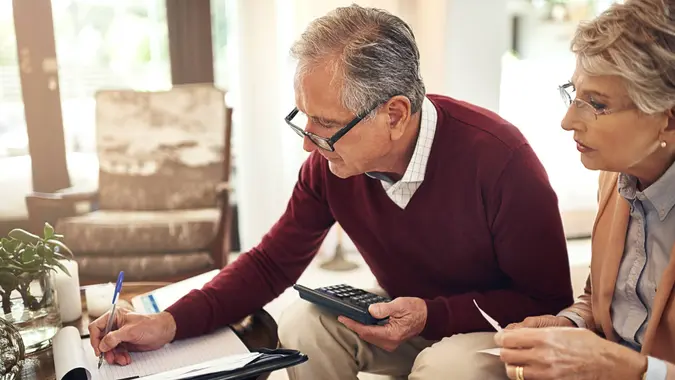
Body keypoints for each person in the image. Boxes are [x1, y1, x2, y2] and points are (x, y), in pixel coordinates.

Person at [88, 4, 574, 379]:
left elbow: (547, 302)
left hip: (490, 333)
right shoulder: (330, 165)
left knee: (446, 366)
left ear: (396, 114)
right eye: (304, 116)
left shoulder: (500, 159)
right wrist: (169, 323)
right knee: (303, 326)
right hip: (409, 309)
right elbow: (269, 263)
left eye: (325, 124)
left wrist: (432, 314)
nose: (307, 141)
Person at [495, 1, 675, 379]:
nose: (567, 121)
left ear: (668, 120)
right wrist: (570, 325)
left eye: (596, 104)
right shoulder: (616, 177)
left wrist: (631, 369)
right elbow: (603, 301)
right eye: (572, 93)